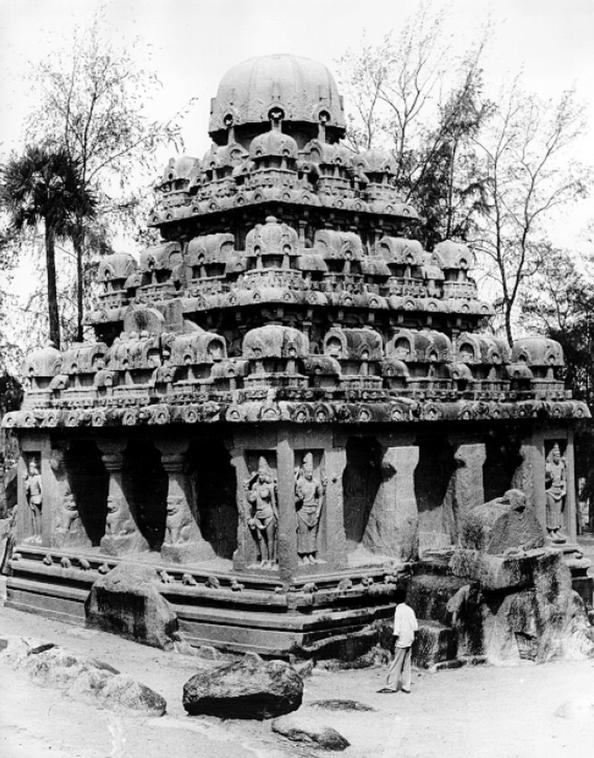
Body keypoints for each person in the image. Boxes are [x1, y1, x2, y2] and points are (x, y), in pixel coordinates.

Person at [380, 587, 418, 694]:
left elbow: (396, 630)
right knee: (407, 663)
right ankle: (406, 686)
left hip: (401, 640)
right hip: (409, 639)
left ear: (395, 599)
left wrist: (392, 643)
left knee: (396, 663)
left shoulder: (398, 610)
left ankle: (391, 686)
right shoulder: (410, 609)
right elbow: (415, 626)